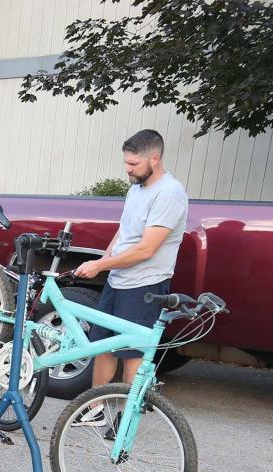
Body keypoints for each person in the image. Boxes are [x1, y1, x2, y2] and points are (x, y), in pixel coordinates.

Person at [73, 129, 188, 418]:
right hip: (118, 280)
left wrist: (99, 266)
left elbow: (145, 249)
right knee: (103, 346)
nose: (128, 170)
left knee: (133, 355)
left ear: (155, 158)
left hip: (144, 286)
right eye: (126, 163)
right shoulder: (136, 189)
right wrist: (105, 259)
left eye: (134, 164)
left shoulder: (169, 194)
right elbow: (125, 231)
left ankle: (126, 417)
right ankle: (95, 408)